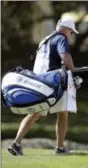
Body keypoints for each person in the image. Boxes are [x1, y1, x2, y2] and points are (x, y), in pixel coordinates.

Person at [8, 16, 79, 156]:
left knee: (33, 113)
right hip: (54, 80)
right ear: (67, 29)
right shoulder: (61, 38)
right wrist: (74, 74)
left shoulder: (44, 40)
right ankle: (59, 147)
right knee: (63, 113)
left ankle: (16, 143)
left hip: (38, 81)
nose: (71, 35)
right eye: (71, 32)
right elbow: (65, 56)